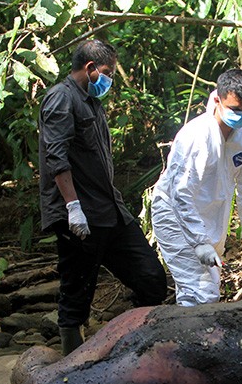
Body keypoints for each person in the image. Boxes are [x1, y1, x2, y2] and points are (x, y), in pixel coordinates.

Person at [39, 39, 167, 355]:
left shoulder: (92, 102)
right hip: (80, 213)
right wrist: (72, 207)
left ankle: (133, 344)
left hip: (110, 210)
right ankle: (72, 366)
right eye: (107, 72)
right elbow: (56, 158)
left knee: (151, 278)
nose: (109, 79)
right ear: (91, 68)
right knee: (77, 292)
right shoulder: (61, 98)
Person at [151, 69, 242, 306]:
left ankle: (183, 338)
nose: (241, 115)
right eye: (235, 109)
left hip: (211, 218)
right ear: (217, 100)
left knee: (207, 291)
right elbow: (180, 193)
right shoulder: (194, 136)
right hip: (175, 216)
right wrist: (198, 241)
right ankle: (184, 340)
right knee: (200, 294)